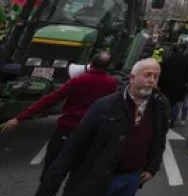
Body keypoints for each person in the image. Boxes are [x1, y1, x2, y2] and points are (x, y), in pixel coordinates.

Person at [30, 59, 168, 196]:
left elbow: (159, 138)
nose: (152, 80)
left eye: (156, 76)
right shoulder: (105, 106)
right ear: (132, 77)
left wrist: (152, 167)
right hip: (96, 179)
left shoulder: (160, 105)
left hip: (131, 179)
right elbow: (72, 149)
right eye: (147, 75)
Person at [1, 52, 118, 180]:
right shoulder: (112, 83)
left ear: (91, 64)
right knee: (79, 170)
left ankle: (44, 194)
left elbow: (48, 100)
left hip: (68, 128)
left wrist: (19, 118)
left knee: (52, 168)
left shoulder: (78, 81)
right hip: (91, 131)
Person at [158, 43, 188, 128]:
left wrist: (160, 84)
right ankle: (172, 121)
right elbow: (187, 73)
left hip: (166, 85)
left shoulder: (166, 60)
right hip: (179, 86)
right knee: (175, 104)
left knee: (165, 103)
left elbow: (161, 73)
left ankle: (163, 119)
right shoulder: (184, 60)